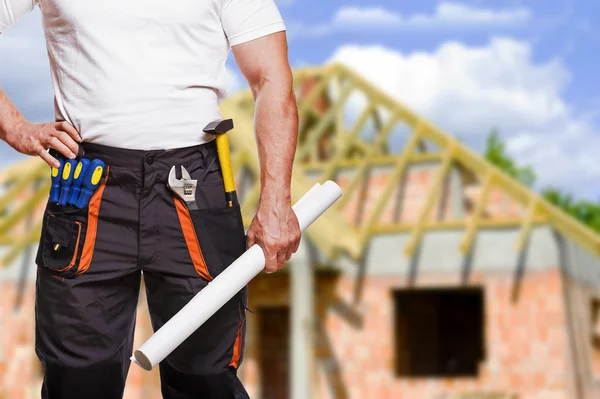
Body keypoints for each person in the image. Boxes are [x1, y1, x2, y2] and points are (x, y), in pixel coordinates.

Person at [0, 0, 301, 397]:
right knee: (78, 377)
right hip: (88, 187)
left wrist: (276, 201)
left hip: (195, 187)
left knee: (206, 375)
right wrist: (15, 128)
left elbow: (270, 77)